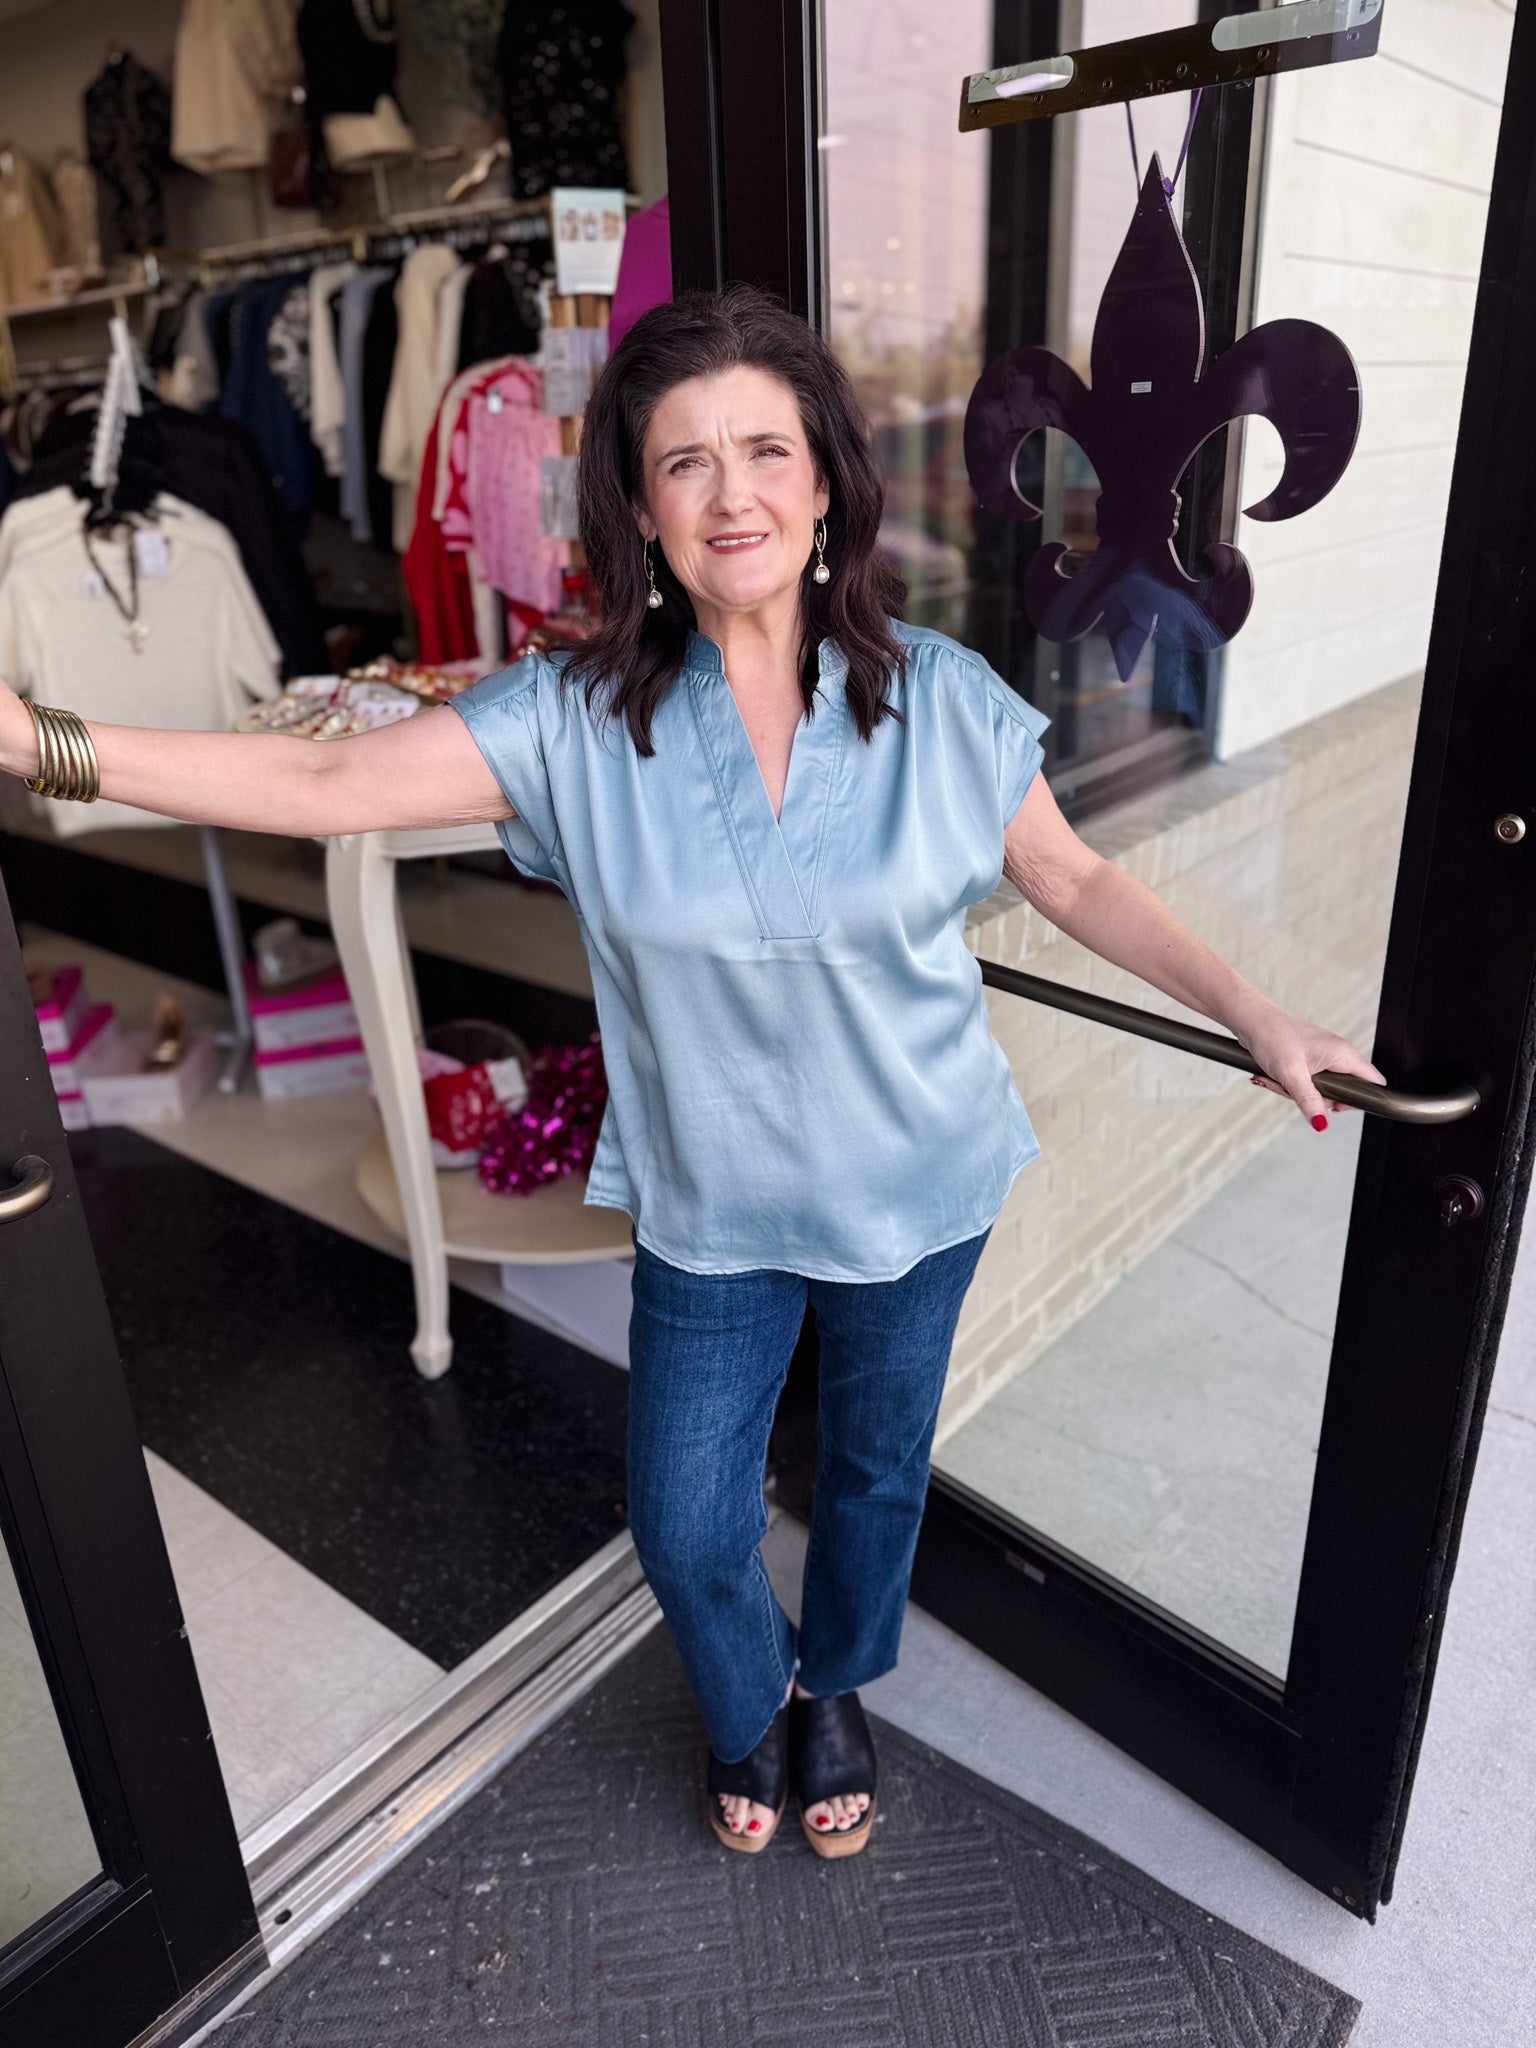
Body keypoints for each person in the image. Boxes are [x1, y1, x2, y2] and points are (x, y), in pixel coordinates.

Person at [0, 284, 1383, 1860]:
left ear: (827, 483)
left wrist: (1255, 1013)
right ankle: (746, 1697)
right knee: (685, 1520)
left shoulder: (944, 697)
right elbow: (322, 785)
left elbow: (1071, 879)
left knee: (873, 1473)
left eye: (766, 451)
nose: (733, 494)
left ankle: (836, 1684)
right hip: (711, 1207)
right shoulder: (573, 718)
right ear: (642, 511)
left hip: (920, 1182)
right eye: (685, 463)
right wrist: (39, 741)